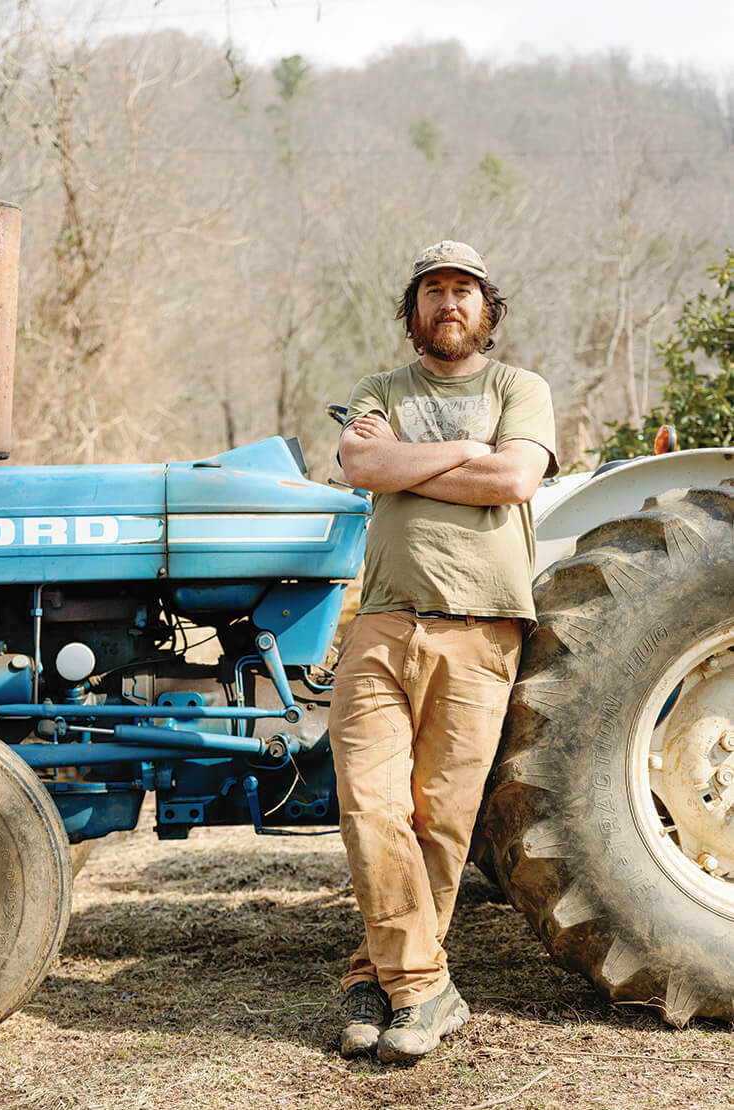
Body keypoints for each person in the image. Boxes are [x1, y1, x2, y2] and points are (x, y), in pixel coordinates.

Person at [330, 239, 558, 1064]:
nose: (448, 303)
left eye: (464, 290)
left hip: (482, 625)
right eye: (433, 291)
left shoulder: (517, 389)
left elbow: (513, 482)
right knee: (370, 808)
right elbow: (360, 461)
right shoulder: (379, 390)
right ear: (413, 310)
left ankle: (375, 980)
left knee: (441, 822)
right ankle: (425, 989)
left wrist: (408, 467)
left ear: (487, 310)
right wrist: (466, 450)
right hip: (385, 620)